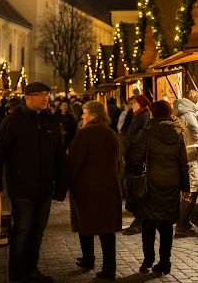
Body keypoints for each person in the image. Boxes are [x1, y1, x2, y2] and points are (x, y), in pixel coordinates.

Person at [0, 82, 69, 283]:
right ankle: (17, 273)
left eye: (47, 94)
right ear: (27, 98)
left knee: (38, 231)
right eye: (41, 94)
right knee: (22, 230)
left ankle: (31, 268)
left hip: (44, 188)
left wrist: (60, 187)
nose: (45, 98)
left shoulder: (51, 122)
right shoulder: (12, 122)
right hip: (22, 187)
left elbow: (59, 157)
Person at [130, 100, 190, 276]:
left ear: (153, 114)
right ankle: (165, 262)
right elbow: (183, 164)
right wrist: (185, 187)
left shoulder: (147, 133)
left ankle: (148, 259)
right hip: (172, 185)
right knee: (166, 224)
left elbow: (134, 157)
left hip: (151, 184)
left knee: (148, 222)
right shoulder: (178, 134)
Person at [68, 100, 122, 281]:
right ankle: (108, 267)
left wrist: (65, 183)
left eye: (85, 113)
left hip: (87, 187)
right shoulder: (111, 133)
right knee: (106, 228)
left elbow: (75, 162)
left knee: (86, 223)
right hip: (108, 186)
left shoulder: (84, 133)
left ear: (94, 115)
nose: (82, 116)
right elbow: (117, 157)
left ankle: (90, 260)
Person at [173, 91, 198, 237]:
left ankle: (184, 221)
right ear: (195, 101)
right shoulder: (188, 114)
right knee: (193, 188)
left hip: (183, 154)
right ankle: (182, 225)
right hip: (190, 157)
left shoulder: (181, 111)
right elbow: (195, 132)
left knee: (188, 188)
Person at [122, 94, 151, 235]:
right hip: (133, 156)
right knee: (134, 188)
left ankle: (140, 221)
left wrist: (135, 156)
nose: (132, 105)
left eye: (134, 103)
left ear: (140, 104)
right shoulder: (137, 116)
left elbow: (140, 137)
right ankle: (139, 220)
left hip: (138, 159)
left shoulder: (144, 116)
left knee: (138, 189)